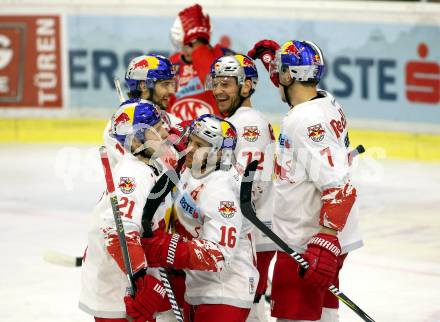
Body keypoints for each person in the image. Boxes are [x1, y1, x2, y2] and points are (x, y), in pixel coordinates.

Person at [249, 39, 363, 321]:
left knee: (294, 317)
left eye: (279, 71)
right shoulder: (325, 100)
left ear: (289, 76)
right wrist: (273, 62)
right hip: (328, 236)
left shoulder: (303, 120)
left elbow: (339, 187)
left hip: (306, 241)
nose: (276, 76)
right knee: (323, 311)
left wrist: (325, 238)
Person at [125, 114, 259, 322]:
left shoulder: (222, 188)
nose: (190, 149)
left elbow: (218, 254)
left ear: (219, 153)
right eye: (191, 141)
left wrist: (168, 250)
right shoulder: (190, 172)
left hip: (226, 292)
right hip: (198, 289)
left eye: (200, 145)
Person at [79, 100, 174, 322]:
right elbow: (117, 233)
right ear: (138, 137)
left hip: (125, 279)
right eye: (158, 127)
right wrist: (141, 282)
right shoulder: (133, 174)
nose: (165, 131)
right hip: (117, 290)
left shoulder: (150, 164)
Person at [206, 54, 277, 322]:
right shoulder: (241, 119)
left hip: (253, 231)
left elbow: (250, 186)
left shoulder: (246, 123)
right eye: (216, 83)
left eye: (226, 84)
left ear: (246, 86)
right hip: (254, 229)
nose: (217, 91)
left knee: (247, 307)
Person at [104, 54, 182, 167]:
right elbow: (144, 171)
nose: (171, 91)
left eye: (171, 84)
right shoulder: (119, 130)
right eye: (165, 84)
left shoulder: (174, 121)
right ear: (143, 86)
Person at [167, 4, 234, 121]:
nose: (186, 50)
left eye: (191, 45)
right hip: (180, 135)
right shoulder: (173, 62)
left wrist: (199, 48)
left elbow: (213, 83)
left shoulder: (222, 55)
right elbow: (166, 102)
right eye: (183, 45)